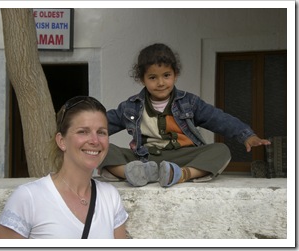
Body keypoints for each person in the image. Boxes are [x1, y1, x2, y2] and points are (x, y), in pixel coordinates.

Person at [98, 43, 271, 188]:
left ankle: (180, 174)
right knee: (102, 148)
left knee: (221, 150)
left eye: (166, 75)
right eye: (152, 77)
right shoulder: (130, 107)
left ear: (175, 75)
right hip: (145, 158)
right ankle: (133, 174)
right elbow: (101, 125)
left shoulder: (190, 102)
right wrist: (73, 131)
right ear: (142, 79)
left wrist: (246, 135)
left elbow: (218, 118)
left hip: (183, 157)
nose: (160, 83)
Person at [0, 96, 128, 239]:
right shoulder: (28, 198)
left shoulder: (110, 197)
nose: (95, 141)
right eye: (83, 131)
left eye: (101, 132)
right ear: (61, 141)